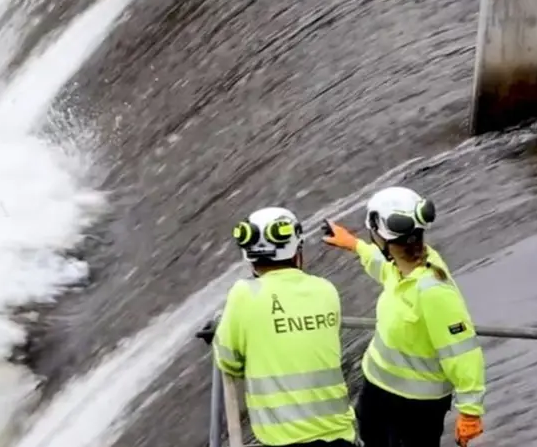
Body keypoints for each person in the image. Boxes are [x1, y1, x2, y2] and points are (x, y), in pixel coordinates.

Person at [322, 186, 485, 447]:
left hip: (415, 408)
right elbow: (384, 268)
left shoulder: (433, 292)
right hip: (376, 391)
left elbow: (463, 352)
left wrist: (470, 411)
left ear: (382, 236)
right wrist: (355, 246)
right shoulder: (405, 268)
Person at [196, 207, 357, 447]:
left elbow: (230, 361)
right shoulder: (326, 290)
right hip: (340, 437)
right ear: (296, 250)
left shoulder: (244, 295)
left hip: (285, 441)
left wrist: (219, 336)